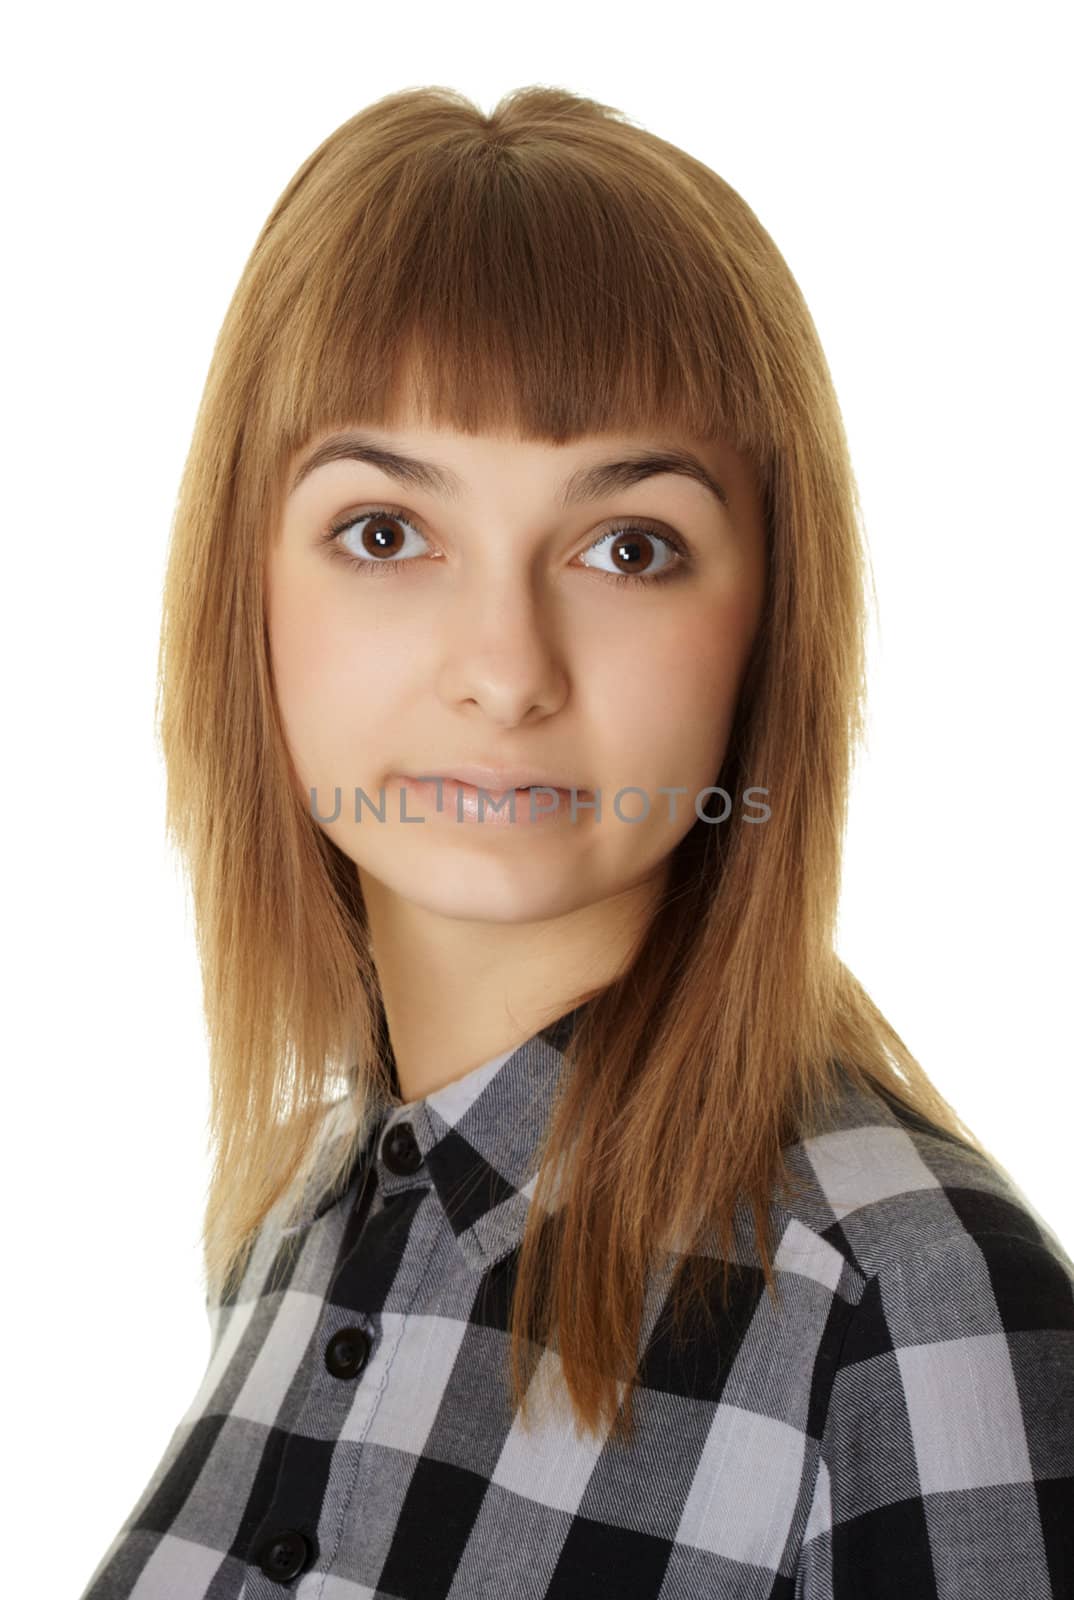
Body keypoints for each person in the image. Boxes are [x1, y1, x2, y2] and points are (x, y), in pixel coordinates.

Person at [81, 84, 1074, 1600]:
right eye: (384, 531)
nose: (504, 666)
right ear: (248, 597)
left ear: (765, 629)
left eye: (629, 547)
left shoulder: (909, 1312)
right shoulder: (301, 1220)